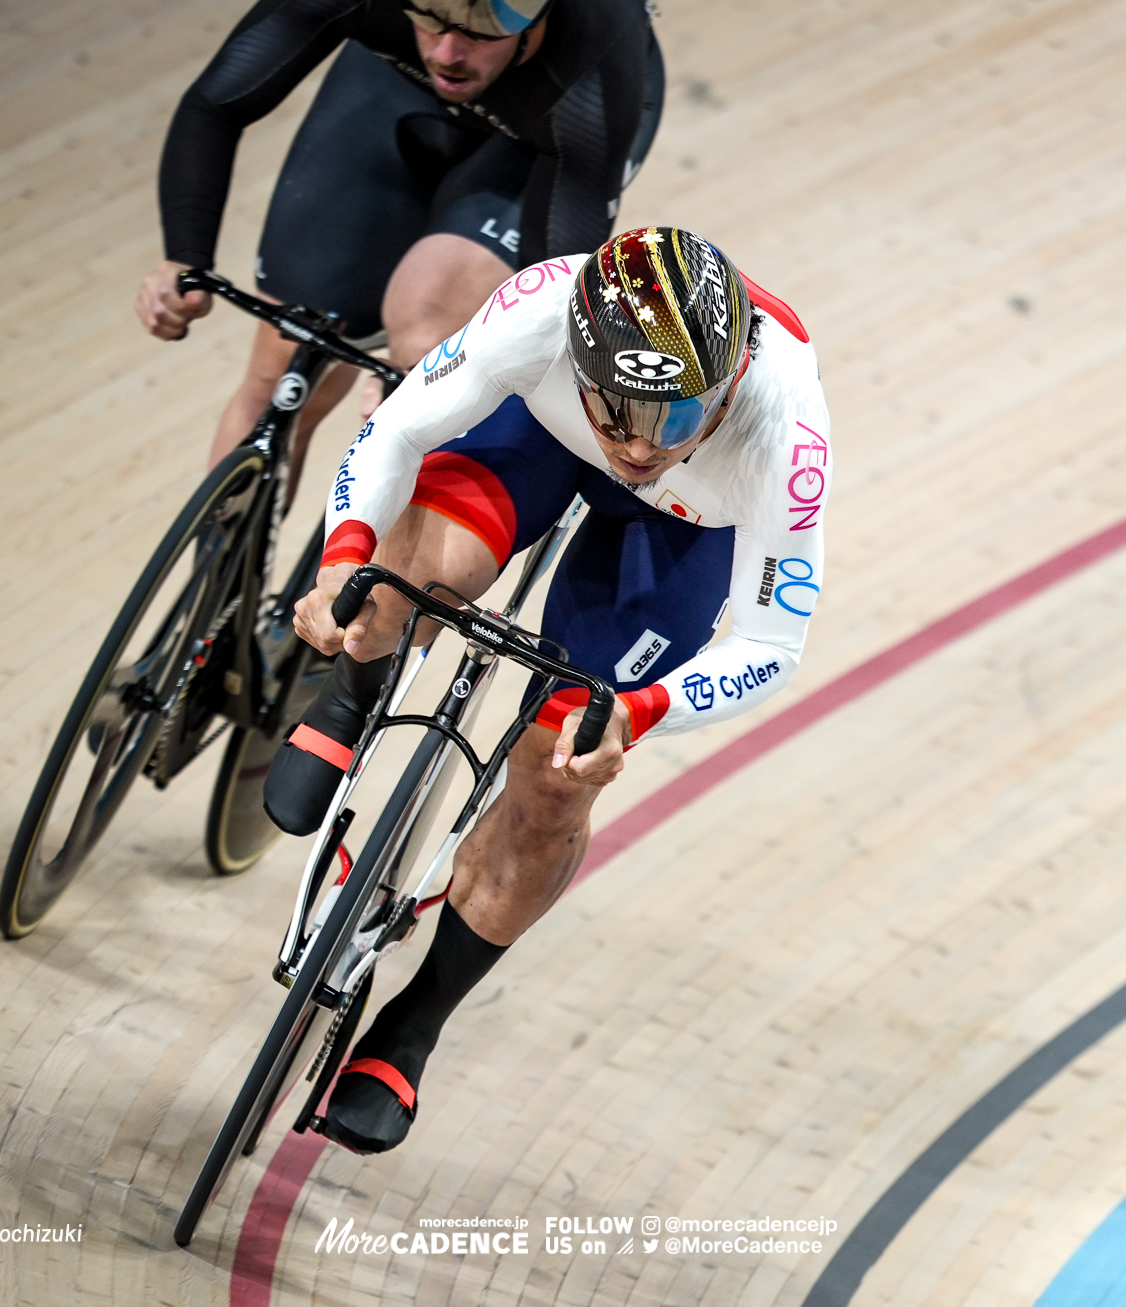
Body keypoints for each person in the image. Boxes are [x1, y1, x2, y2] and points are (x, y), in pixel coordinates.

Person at [266, 226, 831, 1154]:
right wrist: (342, 562)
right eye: (616, 411)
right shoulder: (537, 312)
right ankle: (351, 693)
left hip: (686, 530)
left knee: (561, 771)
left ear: (729, 388)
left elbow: (773, 636)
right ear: (580, 357)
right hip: (538, 438)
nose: (639, 446)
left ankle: (413, 1025)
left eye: (675, 421)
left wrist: (644, 711)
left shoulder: (787, 435)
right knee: (402, 578)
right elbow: (398, 428)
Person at [133, 0, 665, 480]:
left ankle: (364, 581)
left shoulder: (597, 51)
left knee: (425, 322)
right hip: (393, 83)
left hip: (546, 132)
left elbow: (552, 292)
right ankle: (223, 580)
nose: (449, 52)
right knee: (281, 368)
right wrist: (184, 255)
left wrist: (435, 382)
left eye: (481, 31)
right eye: (431, 17)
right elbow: (217, 103)